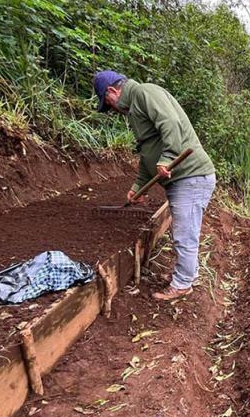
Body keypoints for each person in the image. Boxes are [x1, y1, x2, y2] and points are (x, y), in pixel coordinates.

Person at [93, 70, 216, 301]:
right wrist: (140, 185)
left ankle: (182, 285)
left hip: (191, 176)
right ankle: (188, 274)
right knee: (185, 231)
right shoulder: (136, 109)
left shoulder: (143, 92)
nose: (111, 110)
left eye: (107, 103)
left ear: (112, 91)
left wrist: (168, 155)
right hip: (184, 179)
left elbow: (170, 122)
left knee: (184, 234)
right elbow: (148, 150)